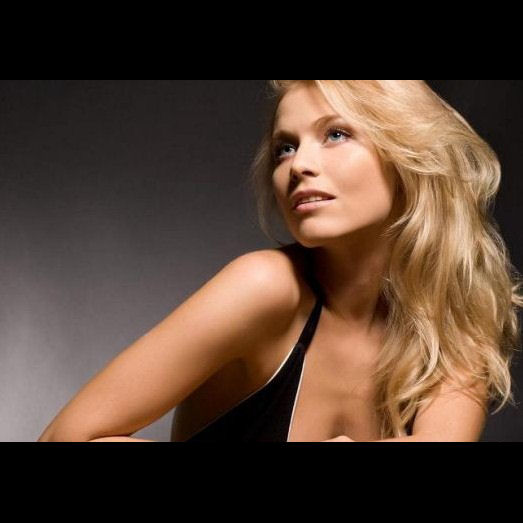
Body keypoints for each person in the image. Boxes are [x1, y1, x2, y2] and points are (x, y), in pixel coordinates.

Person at [37, 80, 523, 443]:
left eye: (336, 134)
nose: (299, 165)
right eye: (284, 148)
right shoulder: (266, 287)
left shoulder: (453, 328)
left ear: (408, 155)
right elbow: (64, 438)